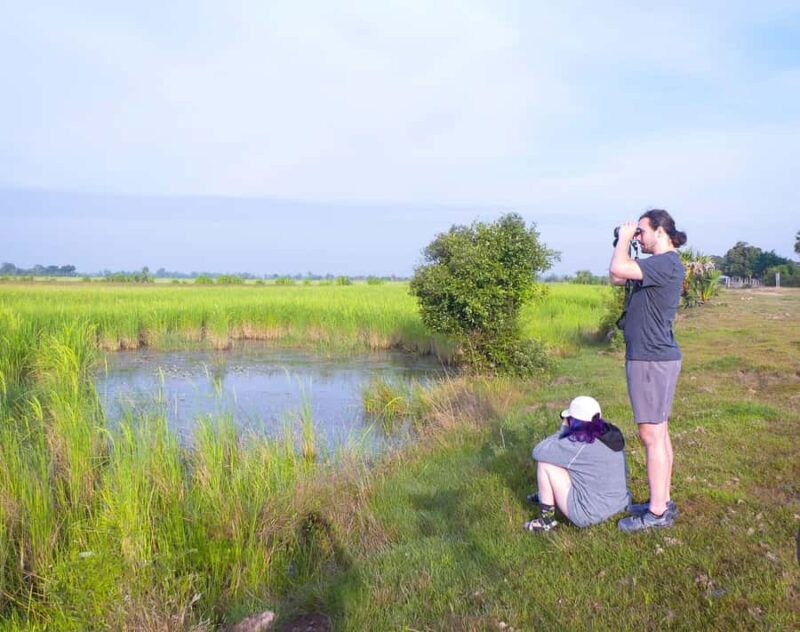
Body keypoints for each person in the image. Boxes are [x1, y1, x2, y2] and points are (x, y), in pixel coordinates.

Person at [609, 209, 687, 532]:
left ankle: (656, 513)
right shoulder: (657, 265)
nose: (638, 236)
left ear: (660, 231)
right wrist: (623, 241)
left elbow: (617, 267)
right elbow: (617, 276)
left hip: (651, 358)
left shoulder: (666, 262)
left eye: (642, 231)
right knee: (659, 432)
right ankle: (662, 500)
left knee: (651, 434)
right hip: (655, 356)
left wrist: (626, 240)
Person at [524, 396, 630, 532]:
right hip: (621, 502)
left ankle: (546, 521)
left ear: (573, 421)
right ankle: (546, 495)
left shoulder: (578, 442)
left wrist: (562, 431)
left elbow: (538, 451)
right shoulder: (612, 433)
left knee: (546, 464)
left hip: (590, 514)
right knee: (567, 461)